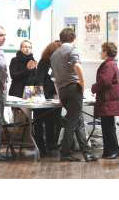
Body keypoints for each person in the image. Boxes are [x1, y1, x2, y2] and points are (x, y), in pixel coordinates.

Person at [50, 28, 98, 162]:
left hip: (62, 90)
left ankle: (87, 153)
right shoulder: (72, 49)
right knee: (72, 123)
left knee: (78, 121)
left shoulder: (54, 54)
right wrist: (82, 83)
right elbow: (77, 66)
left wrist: (60, 93)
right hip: (72, 88)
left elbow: (53, 78)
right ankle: (65, 153)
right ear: (73, 38)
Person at [91, 42, 119, 159]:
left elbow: (105, 82)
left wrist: (94, 88)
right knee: (108, 126)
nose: (101, 52)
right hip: (109, 100)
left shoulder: (108, 65)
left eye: (102, 50)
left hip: (107, 100)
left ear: (106, 52)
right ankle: (112, 150)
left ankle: (112, 151)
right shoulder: (111, 64)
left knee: (108, 127)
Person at [33, 40, 63, 156]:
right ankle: (41, 146)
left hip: (53, 97)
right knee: (39, 122)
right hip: (42, 97)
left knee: (53, 122)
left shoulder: (58, 63)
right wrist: (41, 97)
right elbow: (39, 80)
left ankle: (51, 145)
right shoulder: (44, 62)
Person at [0, 26, 9, 161]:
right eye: (1, 35)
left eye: (5, 35)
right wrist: (5, 80)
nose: (4, 38)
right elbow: (1, 67)